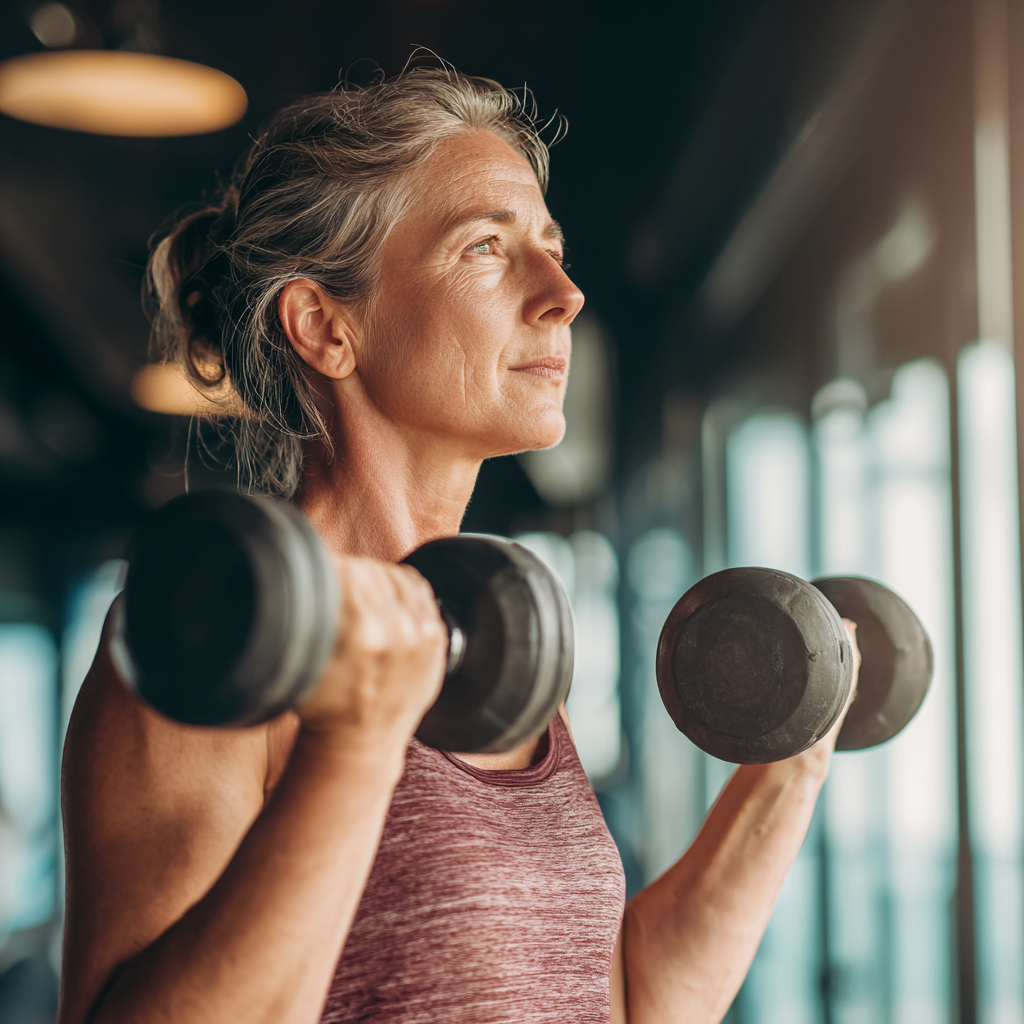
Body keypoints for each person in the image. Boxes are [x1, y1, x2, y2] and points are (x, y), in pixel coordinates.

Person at [58, 68, 859, 1024]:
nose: (562, 294)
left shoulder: (494, 647)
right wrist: (354, 744)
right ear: (325, 326)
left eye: (551, 250)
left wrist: (795, 755)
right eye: (486, 247)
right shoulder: (213, 649)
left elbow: (619, 999)